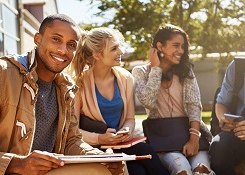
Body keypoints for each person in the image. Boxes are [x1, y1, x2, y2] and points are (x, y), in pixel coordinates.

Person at [0, 14, 123, 175]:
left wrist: (99, 157)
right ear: (37, 39)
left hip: (48, 171)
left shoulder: (65, 88)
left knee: (114, 167)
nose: (63, 50)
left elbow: (71, 141)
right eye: (56, 39)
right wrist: (16, 164)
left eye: (71, 45)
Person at [70, 27, 170, 175]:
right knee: (138, 172)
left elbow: (130, 118)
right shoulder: (78, 83)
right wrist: (100, 138)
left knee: (146, 152)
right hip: (93, 148)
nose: (121, 52)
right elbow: (73, 130)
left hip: (121, 145)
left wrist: (126, 130)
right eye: (114, 49)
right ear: (97, 54)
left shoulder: (125, 78)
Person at [132, 24, 214, 175]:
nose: (181, 51)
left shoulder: (186, 71)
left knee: (201, 170)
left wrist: (194, 138)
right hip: (164, 140)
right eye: (176, 45)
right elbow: (148, 101)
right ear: (160, 46)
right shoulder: (141, 72)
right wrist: (156, 69)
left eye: (183, 46)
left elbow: (194, 104)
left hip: (191, 133)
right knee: (181, 170)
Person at [209, 18, 245, 175]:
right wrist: (223, 119)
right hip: (244, 129)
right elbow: (222, 102)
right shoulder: (237, 67)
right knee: (218, 148)